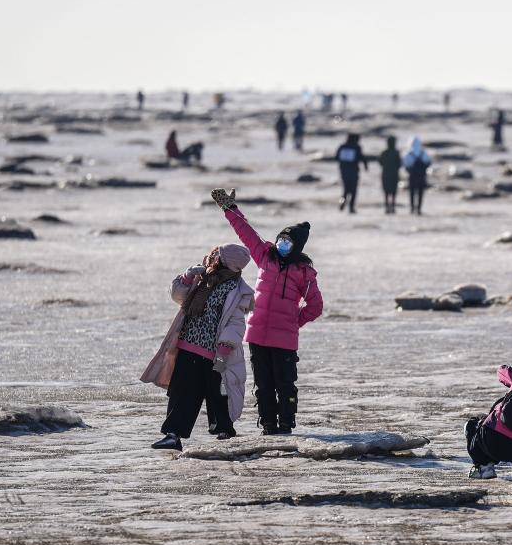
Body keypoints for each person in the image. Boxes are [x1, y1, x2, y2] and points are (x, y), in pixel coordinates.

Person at [210, 188, 324, 435]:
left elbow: (315, 306)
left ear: (296, 247)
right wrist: (229, 208)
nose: (282, 245)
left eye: (288, 243)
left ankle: (286, 423)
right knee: (263, 385)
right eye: (281, 240)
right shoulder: (265, 256)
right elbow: (246, 231)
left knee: (284, 384)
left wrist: (294, 321)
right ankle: (268, 424)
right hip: (258, 336)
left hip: (284, 339)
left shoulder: (303, 273)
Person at [141, 243, 254, 451]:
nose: (211, 256)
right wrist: (186, 276)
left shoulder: (238, 291)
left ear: (226, 261)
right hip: (187, 346)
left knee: (218, 392)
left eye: (216, 254)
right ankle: (173, 436)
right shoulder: (203, 278)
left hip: (216, 352)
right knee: (181, 393)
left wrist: (224, 349)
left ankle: (225, 431)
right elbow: (178, 295)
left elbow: (236, 324)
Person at [335, 134, 367, 213]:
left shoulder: (342, 146)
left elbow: (336, 157)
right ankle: (351, 207)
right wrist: (366, 166)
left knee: (345, 190)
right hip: (354, 172)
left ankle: (342, 203)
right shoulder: (356, 147)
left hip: (344, 172)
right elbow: (362, 157)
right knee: (353, 190)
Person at [403, 137, 432, 215]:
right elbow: (429, 162)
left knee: (412, 193)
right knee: (420, 193)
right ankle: (419, 209)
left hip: (412, 177)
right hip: (422, 177)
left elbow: (405, 164)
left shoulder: (409, 154)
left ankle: (412, 208)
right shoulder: (423, 153)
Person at [378, 136, 402, 214]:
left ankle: (387, 207)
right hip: (394, 175)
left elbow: (380, 162)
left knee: (386, 192)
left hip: (385, 175)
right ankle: (392, 207)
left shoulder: (384, 152)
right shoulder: (396, 152)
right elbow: (399, 164)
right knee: (393, 192)